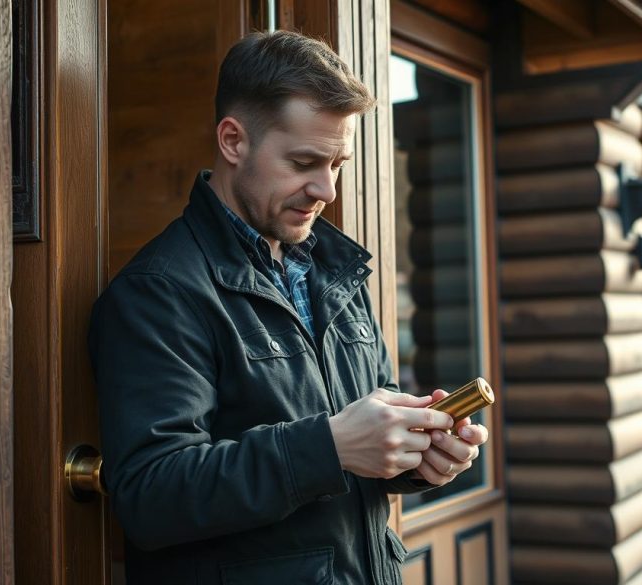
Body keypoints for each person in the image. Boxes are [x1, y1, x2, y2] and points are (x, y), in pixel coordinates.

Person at [88, 31, 488, 585]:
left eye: (338, 163)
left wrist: (418, 458)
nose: (326, 188)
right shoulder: (159, 291)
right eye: (304, 162)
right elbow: (151, 494)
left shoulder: (337, 272)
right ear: (233, 141)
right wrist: (329, 446)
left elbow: (357, 450)